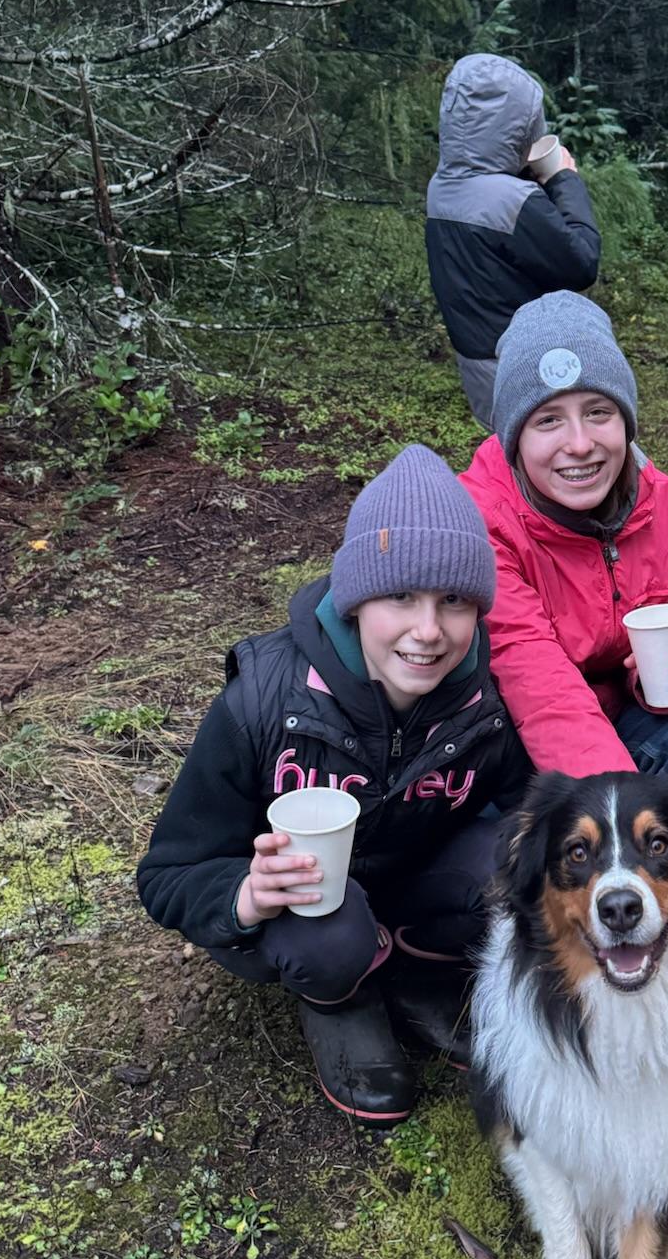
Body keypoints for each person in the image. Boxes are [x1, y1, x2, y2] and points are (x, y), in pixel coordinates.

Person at [137, 445, 529, 1123]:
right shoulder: (262, 701)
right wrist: (245, 894)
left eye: (455, 601)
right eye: (400, 596)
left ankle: (418, 972)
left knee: (513, 863)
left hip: (413, 885)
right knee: (328, 932)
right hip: (310, 917)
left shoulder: (492, 699)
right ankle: (341, 999)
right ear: (354, 602)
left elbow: (534, 807)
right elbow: (167, 873)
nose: (428, 631)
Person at [460, 291, 668, 812]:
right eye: (548, 420)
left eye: (598, 412)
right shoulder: (481, 523)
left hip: (613, 712)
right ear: (514, 438)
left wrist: (663, 679)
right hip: (510, 734)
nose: (579, 443)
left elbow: (655, 659)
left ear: (626, 421)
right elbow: (537, 683)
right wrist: (619, 817)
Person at [426, 53, 602, 426]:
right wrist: (563, 179)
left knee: (509, 450)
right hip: (527, 366)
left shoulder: (441, 187)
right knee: (562, 452)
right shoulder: (513, 201)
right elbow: (582, 263)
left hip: (479, 364)